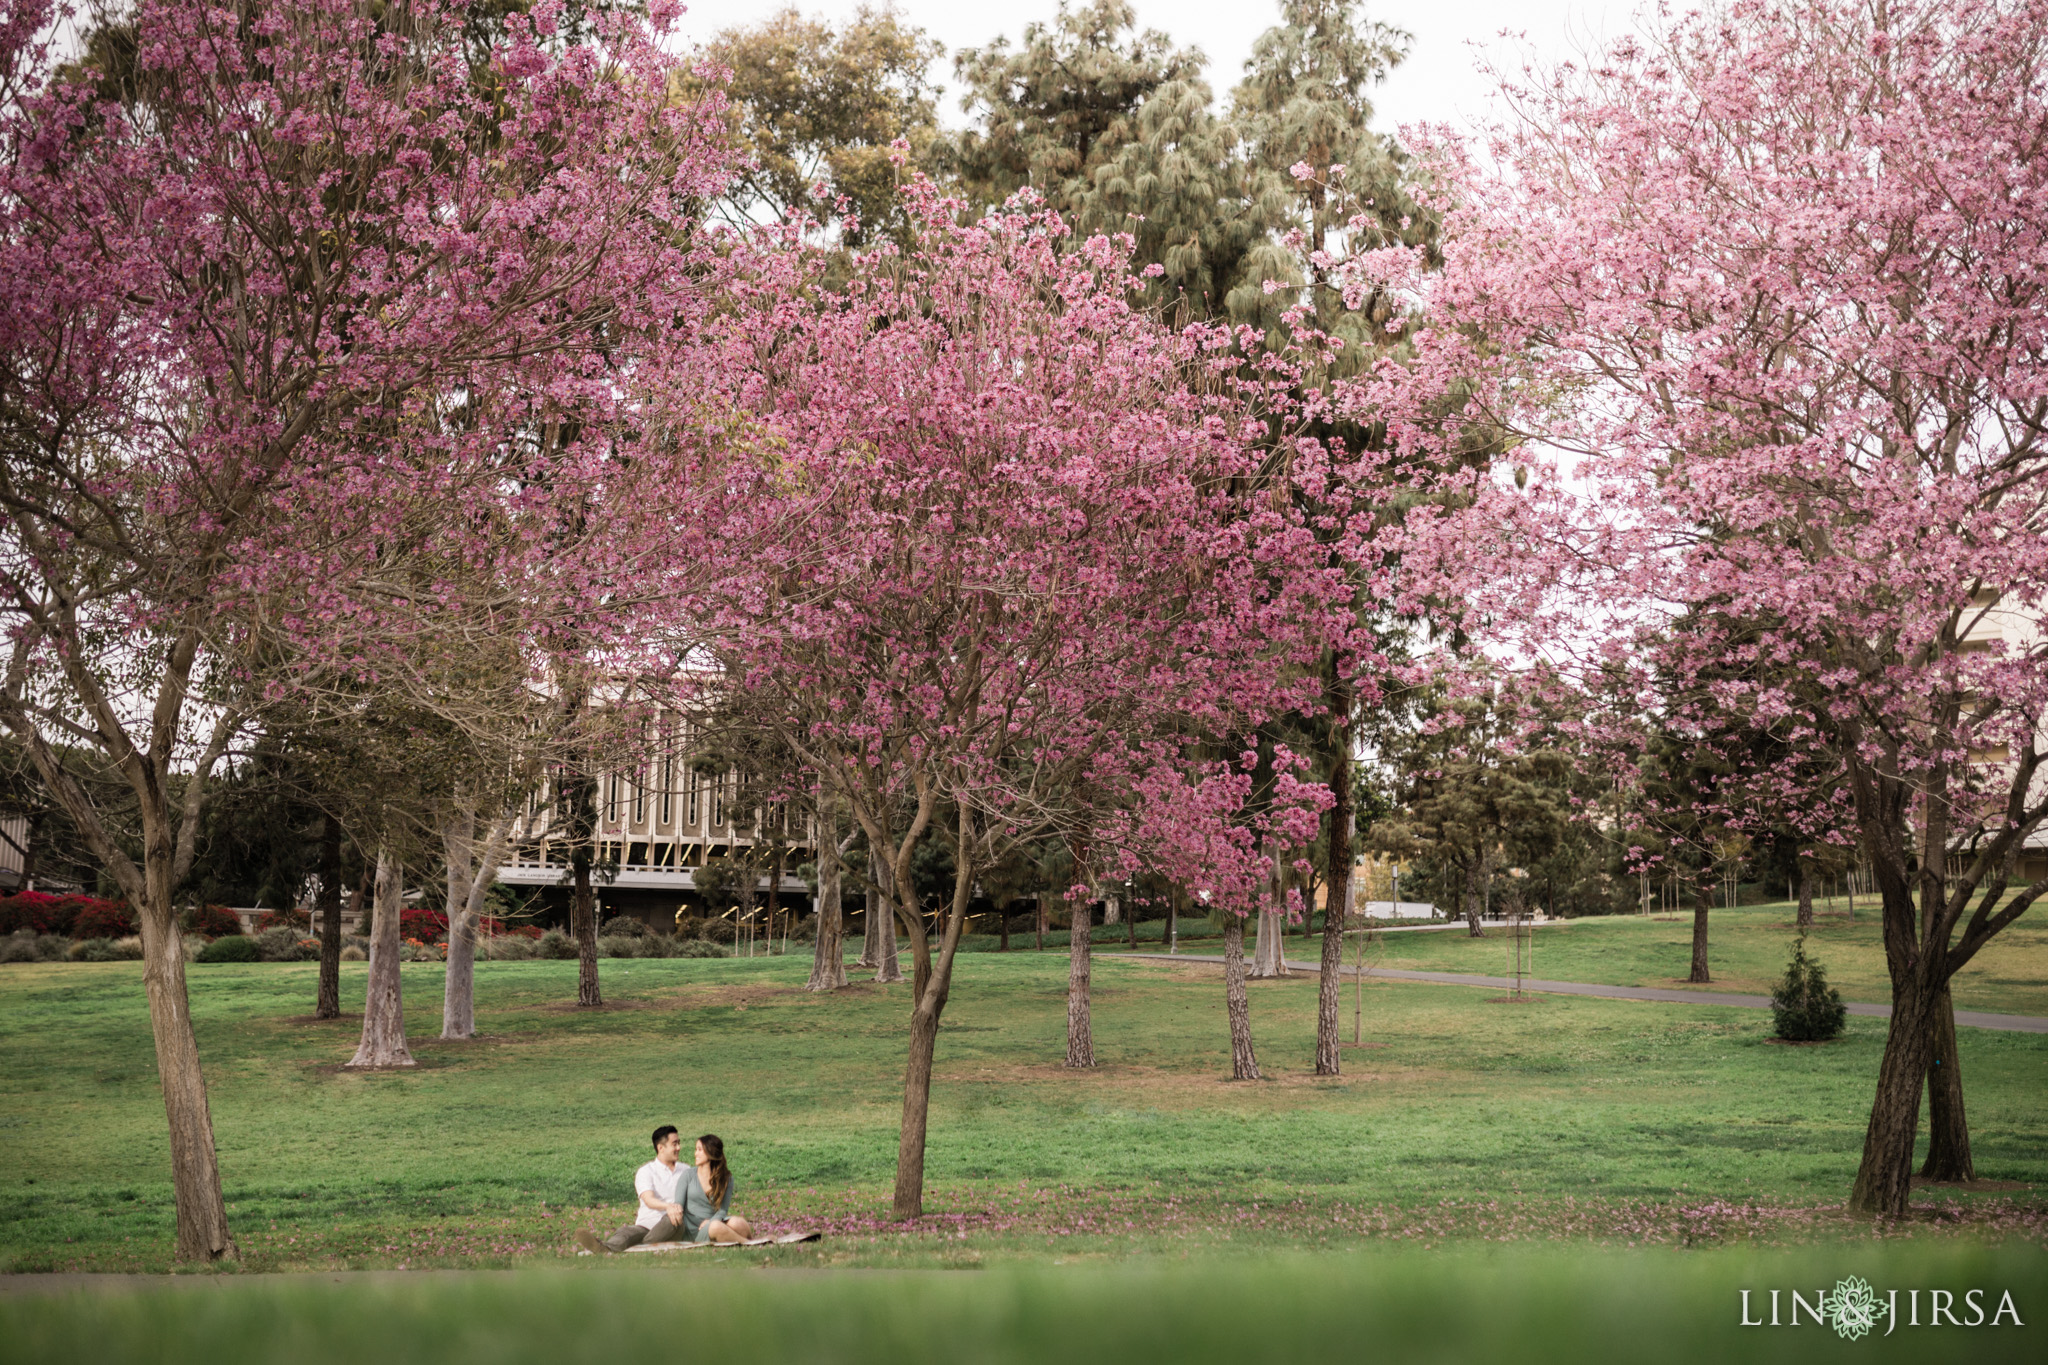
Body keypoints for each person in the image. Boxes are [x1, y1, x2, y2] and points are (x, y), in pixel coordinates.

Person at [577, 1125, 692, 1254]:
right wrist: (668, 1206)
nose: (679, 1148)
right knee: (625, 1233)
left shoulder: (686, 1170)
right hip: (646, 1225)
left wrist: (673, 1210)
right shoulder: (646, 1171)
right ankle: (605, 1248)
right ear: (661, 1148)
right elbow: (649, 1200)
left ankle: (640, 1246)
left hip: (673, 1224)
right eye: (674, 1144)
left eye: (679, 1143)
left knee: (672, 1219)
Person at [680, 1133, 754, 1244]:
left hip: (713, 1222)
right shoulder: (687, 1175)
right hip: (694, 1229)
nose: (695, 1153)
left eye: (700, 1150)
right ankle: (748, 1243)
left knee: (738, 1222)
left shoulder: (726, 1178)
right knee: (715, 1227)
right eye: (696, 1149)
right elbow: (678, 1206)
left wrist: (711, 1221)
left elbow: (723, 1210)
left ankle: (738, 1240)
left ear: (710, 1152)